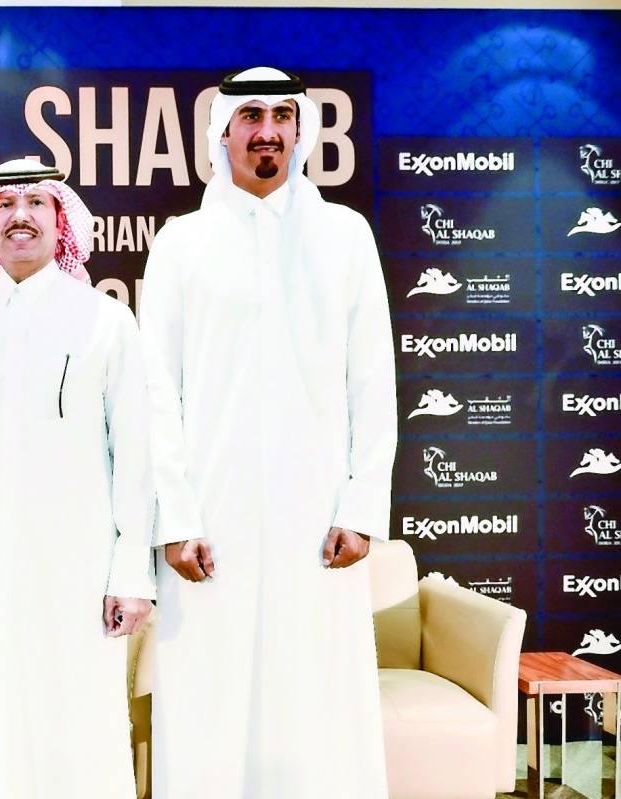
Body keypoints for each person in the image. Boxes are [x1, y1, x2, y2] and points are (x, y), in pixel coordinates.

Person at [140, 67, 397, 798]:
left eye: (282, 115)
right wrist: (175, 518)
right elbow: (157, 393)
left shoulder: (345, 237)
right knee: (208, 708)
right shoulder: (181, 243)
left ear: (300, 131)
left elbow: (372, 383)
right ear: (223, 132)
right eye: (250, 115)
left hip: (317, 525)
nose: (267, 129)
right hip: (208, 528)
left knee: (316, 707)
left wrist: (359, 509)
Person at [0, 158, 155, 799]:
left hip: (76, 568)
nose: (20, 216)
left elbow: (134, 456)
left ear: (61, 221)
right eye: (4, 205)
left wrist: (131, 573)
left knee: (72, 724)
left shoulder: (104, 320)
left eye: (37, 204)